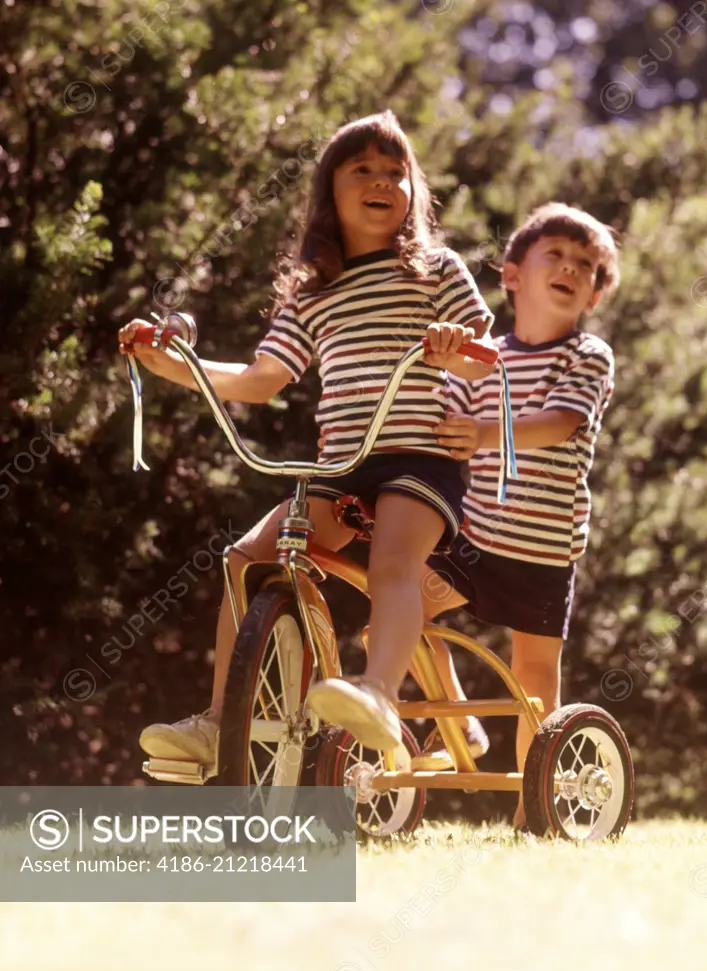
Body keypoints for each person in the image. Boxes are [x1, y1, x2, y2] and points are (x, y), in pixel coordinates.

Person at [119, 110, 496, 767]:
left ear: (413, 192)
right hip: (343, 466)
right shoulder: (312, 292)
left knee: (393, 564)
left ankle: (377, 691)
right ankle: (219, 724)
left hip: (419, 458)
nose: (382, 181)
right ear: (329, 192)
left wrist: (449, 348)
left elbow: (481, 354)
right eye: (362, 170)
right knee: (248, 559)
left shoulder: (434, 270)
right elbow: (263, 378)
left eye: (394, 171)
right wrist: (172, 367)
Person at [414, 201, 621, 829]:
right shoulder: (482, 358)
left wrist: (479, 433)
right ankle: (461, 727)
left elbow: (560, 424)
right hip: (474, 539)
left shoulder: (586, 356)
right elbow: (440, 422)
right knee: (395, 617)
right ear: (512, 275)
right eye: (553, 256)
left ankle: (534, 811)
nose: (569, 269)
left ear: (591, 295)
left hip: (541, 550)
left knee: (535, 688)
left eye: (584, 266)